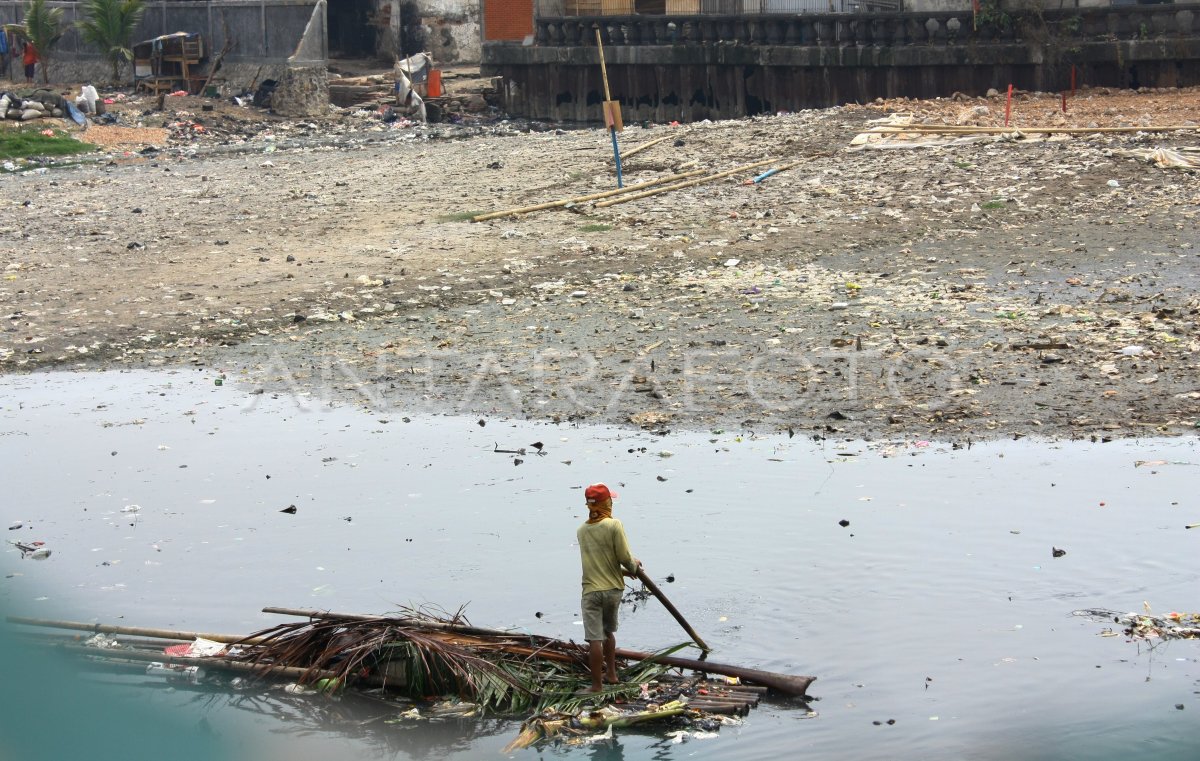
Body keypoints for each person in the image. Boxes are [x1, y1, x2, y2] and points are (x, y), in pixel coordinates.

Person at [576, 483, 640, 693]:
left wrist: (624, 570)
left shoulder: (582, 531)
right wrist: (633, 566)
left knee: (595, 638)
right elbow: (622, 556)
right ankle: (610, 675)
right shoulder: (614, 525)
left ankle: (597, 685)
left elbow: (597, 562)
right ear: (607, 503)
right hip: (613, 590)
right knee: (608, 633)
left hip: (592, 591)